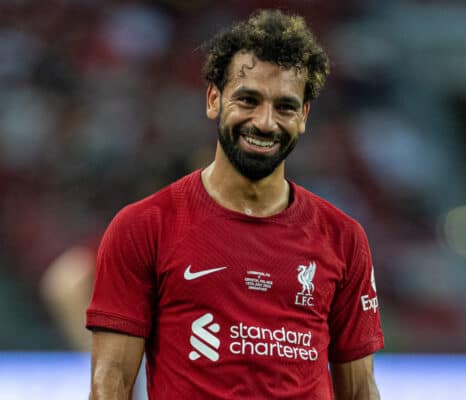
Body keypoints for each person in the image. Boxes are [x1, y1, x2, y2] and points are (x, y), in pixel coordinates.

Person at [86, 9, 384, 400]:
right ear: (213, 99)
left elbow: (360, 390)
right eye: (248, 99)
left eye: (285, 107)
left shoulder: (343, 238)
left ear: (304, 116)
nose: (264, 122)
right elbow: (111, 383)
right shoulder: (144, 226)